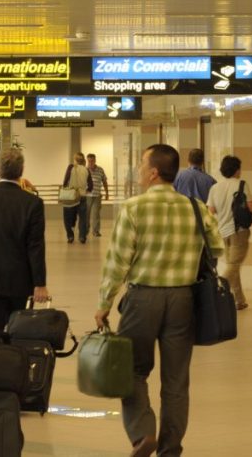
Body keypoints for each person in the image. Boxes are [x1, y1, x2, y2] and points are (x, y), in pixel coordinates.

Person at [94, 144, 224, 457]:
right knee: (176, 382)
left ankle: (142, 434)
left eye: (141, 164)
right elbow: (217, 248)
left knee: (133, 371)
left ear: (153, 172)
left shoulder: (134, 208)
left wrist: (104, 304)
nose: (138, 170)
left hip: (143, 299)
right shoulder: (194, 207)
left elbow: (117, 263)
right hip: (183, 299)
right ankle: (170, 449)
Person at [0, 148, 49, 332]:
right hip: (20, 282)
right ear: (22, 170)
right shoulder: (32, 203)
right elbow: (35, 246)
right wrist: (40, 283)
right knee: (18, 333)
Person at [206, 155, 252, 310]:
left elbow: (211, 210)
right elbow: (250, 206)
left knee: (233, 265)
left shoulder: (215, 188)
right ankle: (214, 292)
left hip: (222, 232)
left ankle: (240, 300)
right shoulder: (242, 184)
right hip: (239, 232)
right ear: (236, 170)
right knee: (233, 266)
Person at [61, 152, 93, 244]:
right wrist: (86, 190)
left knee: (67, 217)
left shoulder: (71, 167)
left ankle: (70, 236)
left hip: (71, 195)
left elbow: (66, 180)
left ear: (75, 159)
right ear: (83, 160)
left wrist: (65, 187)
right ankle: (82, 237)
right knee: (83, 218)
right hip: (82, 196)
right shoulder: (86, 170)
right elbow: (91, 186)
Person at [85, 153, 110, 238]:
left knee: (96, 214)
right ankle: (85, 230)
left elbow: (104, 182)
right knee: (86, 214)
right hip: (87, 196)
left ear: (95, 160)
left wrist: (107, 193)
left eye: (92, 161)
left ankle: (95, 231)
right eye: (89, 161)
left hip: (97, 196)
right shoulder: (85, 170)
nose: (90, 163)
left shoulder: (100, 170)